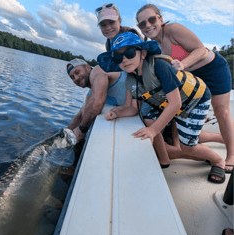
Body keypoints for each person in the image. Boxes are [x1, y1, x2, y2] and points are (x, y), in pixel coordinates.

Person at [97, 32, 226, 183]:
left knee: (187, 147)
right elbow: (132, 108)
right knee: (148, 117)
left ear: (143, 53)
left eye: (130, 53)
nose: (124, 59)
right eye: (118, 57)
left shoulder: (160, 66)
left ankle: (218, 161)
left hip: (195, 100)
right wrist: (117, 112)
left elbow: (176, 104)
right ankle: (164, 159)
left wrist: (153, 131)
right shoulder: (130, 79)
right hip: (169, 103)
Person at [135, 4, 234, 174]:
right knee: (182, 112)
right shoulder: (153, 46)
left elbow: (201, 49)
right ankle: (186, 141)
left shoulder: (172, 29)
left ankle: (231, 155)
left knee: (221, 110)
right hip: (191, 79)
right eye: (142, 24)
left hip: (212, 69)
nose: (148, 25)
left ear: (160, 18)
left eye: (151, 19)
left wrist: (183, 64)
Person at [66, 58, 127, 143]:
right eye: (72, 77)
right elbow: (80, 115)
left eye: (77, 72)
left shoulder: (97, 70)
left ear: (88, 67)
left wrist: (82, 129)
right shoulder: (90, 94)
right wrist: (65, 135)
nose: (76, 78)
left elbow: (96, 103)